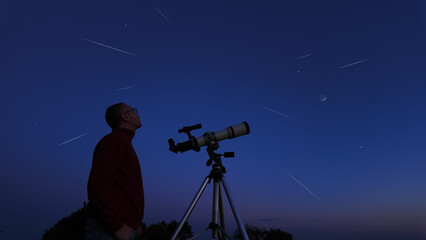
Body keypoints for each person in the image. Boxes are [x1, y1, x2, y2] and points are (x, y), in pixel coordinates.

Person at [85, 103, 144, 240]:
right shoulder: (114, 140)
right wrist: (115, 226)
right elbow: (98, 184)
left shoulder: (123, 142)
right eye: (134, 111)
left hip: (124, 228)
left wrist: (135, 224)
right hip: (108, 230)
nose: (138, 114)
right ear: (125, 117)